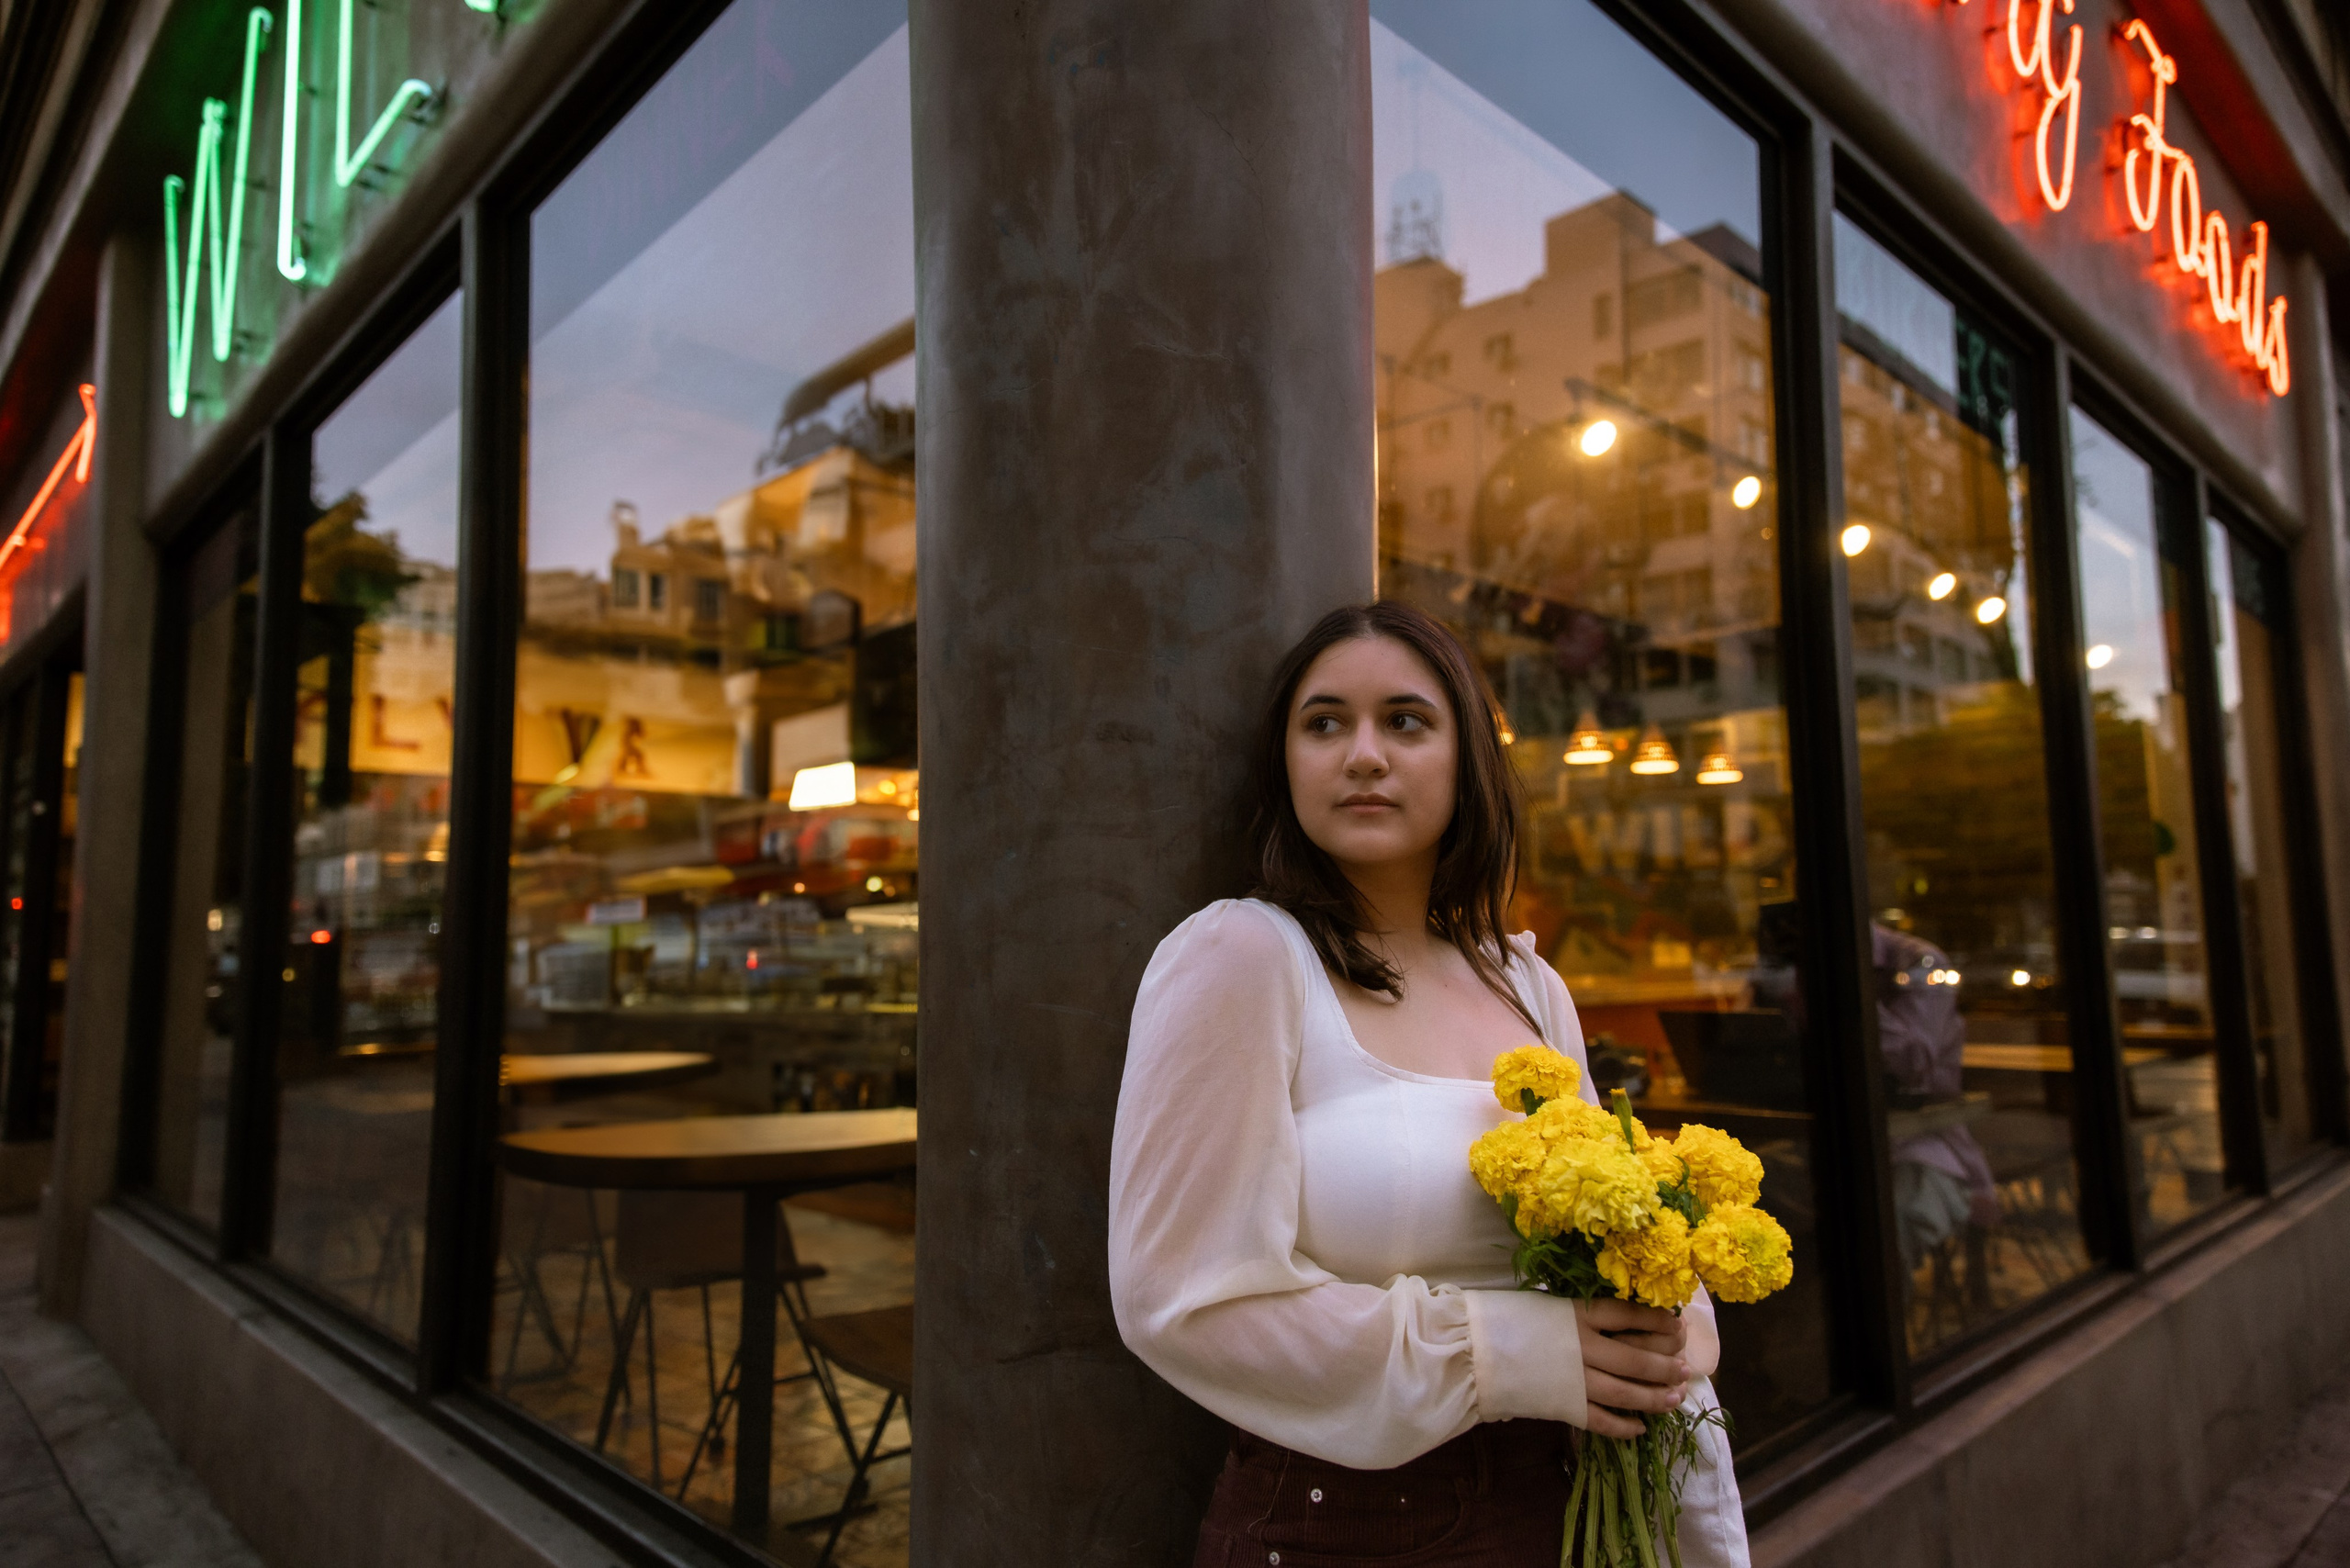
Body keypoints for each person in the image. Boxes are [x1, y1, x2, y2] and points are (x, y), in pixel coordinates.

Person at [1109, 602, 1748, 1566]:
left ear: (1467, 759)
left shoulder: (1526, 983)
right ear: (1284, 762)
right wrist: (1512, 1355)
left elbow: (1620, 1235)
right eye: (1323, 723)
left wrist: (1670, 1329)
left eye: (1405, 721)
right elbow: (1184, 1298)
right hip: (1351, 1521)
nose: (1363, 753)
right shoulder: (1243, 956)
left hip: (1572, 1500)